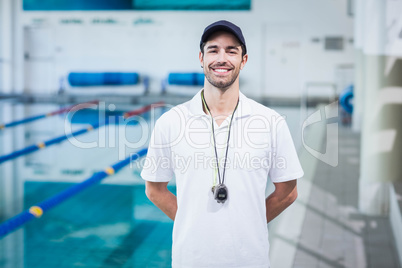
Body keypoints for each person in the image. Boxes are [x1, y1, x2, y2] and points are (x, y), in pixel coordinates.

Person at [141, 20, 304, 268]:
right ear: (201, 57)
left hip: (250, 259)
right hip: (190, 259)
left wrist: (249, 224)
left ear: (244, 60)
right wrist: (193, 224)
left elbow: (288, 192)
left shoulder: (271, 122)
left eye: (231, 50)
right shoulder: (172, 122)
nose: (222, 58)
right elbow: (154, 190)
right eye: (213, 50)